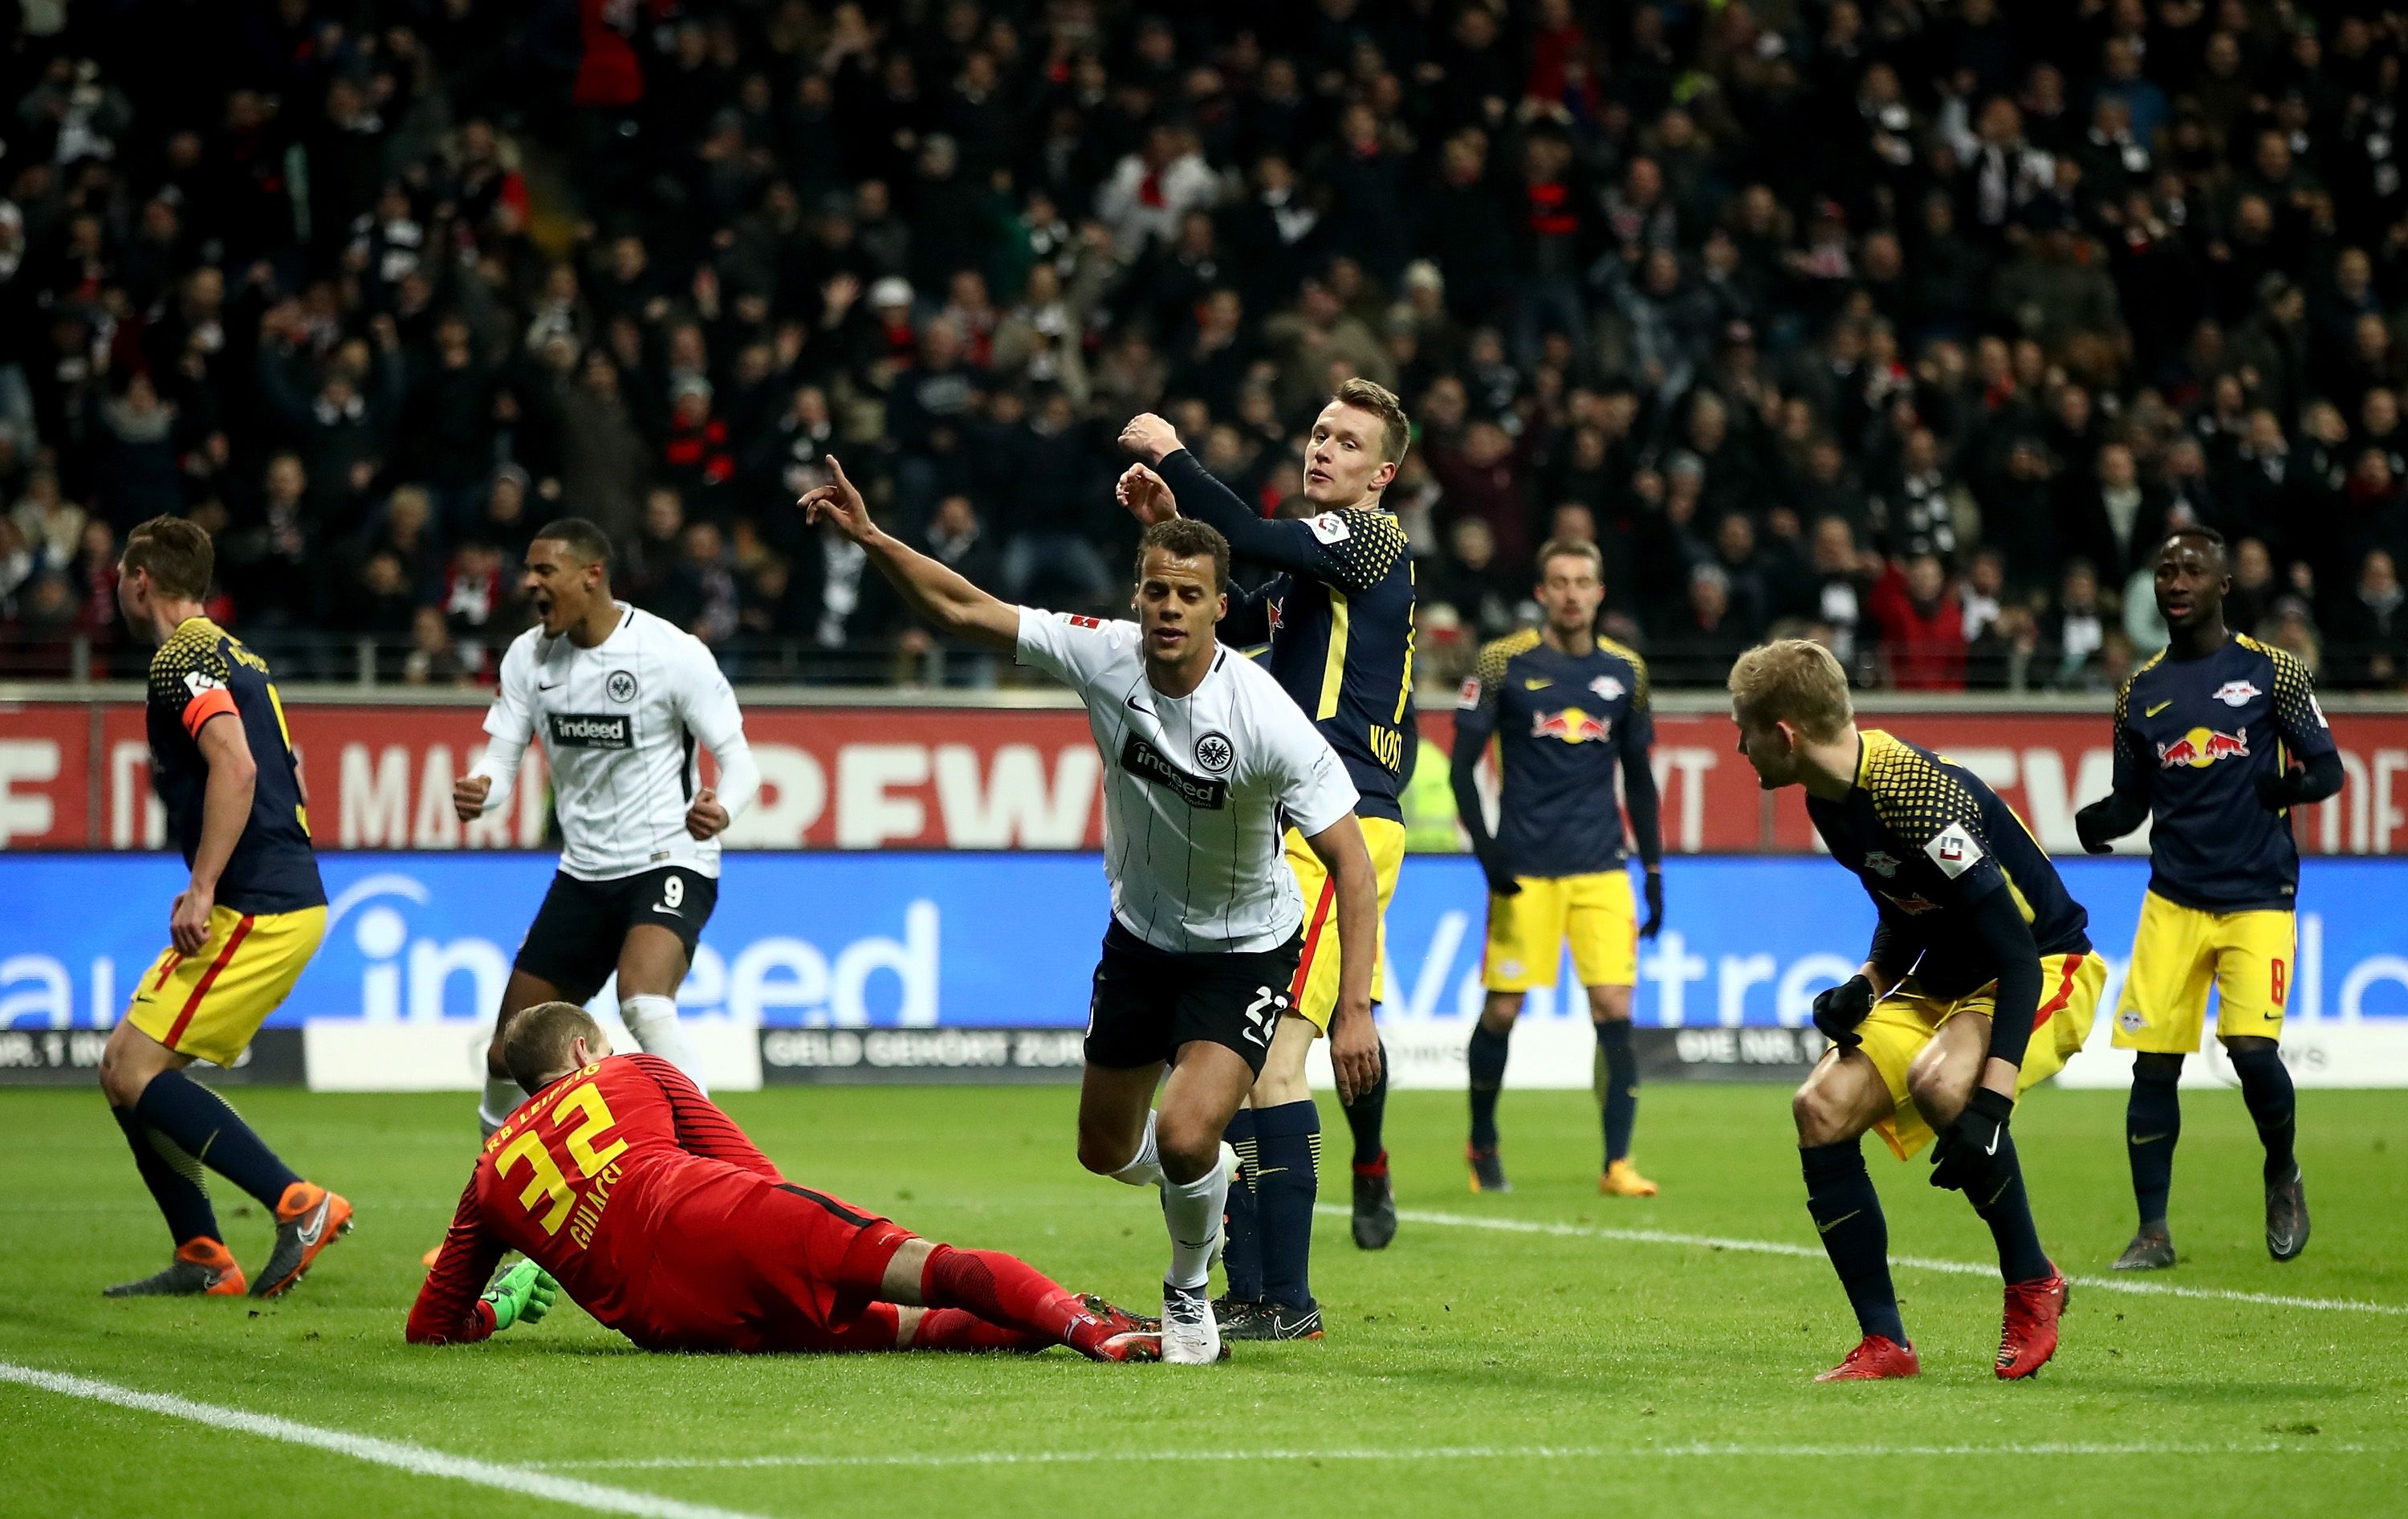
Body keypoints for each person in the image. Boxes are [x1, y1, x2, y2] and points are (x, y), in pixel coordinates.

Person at [801, 458, 1380, 1366]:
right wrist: (873, 538)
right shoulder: (1103, 652)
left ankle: (1189, 1291)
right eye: (1155, 590)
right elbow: (963, 609)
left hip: (1244, 949)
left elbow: (1351, 857)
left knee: (1185, 1131)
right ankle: (1210, 1184)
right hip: (1142, 939)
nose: (1168, 608)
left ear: (1219, 605)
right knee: (1106, 1148)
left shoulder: (1263, 712)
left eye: (1189, 593)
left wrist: (1353, 1008)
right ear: (1137, 596)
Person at [1114, 377, 1412, 1345]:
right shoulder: (1303, 573)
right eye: (1318, 432)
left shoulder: (1372, 540)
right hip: (1285, 824)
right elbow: (1229, 621)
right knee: (1239, 1058)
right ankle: (1254, 1288)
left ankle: (1284, 1295)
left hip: (1343, 824)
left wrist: (1175, 455)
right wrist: (1171, 522)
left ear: (1383, 475)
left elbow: (1251, 526)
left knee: (1279, 1055)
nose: (1323, 449)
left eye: (1348, 442)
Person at [1729, 639, 2099, 1382]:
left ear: (1786, 734)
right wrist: (1867, 982)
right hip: (1942, 980)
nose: (1739, 747)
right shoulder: (1829, 797)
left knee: (1942, 1084)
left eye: (1745, 730)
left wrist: (1989, 1105)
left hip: (2043, 965)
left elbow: (2018, 956)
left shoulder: (1920, 797)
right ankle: (1885, 1343)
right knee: (1820, 1107)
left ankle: (2034, 1283)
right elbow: (1907, 906)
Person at [408, 1001, 1161, 1362]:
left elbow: (428, 1327)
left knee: (906, 1333)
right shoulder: (632, 1069)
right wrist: (812, 1241)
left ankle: (1058, 1317)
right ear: (582, 1051)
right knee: (932, 1272)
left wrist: (498, 1311)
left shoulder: (488, 1175)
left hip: (669, 1326)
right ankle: (1091, 1330)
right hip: (720, 1221)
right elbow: (755, 1175)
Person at [436, 518, 765, 1265]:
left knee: (642, 999)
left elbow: (738, 758)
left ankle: (720, 1177)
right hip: (584, 871)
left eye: (544, 570)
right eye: (527, 569)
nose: (530, 583)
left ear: (592, 574)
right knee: (502, 1056)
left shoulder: (671, 653)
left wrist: (723, 807)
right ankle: (494, 1219)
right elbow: (501, 757)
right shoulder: (529, 657)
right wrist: (482, 795)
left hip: (670, 855)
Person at [2073, 527, 2343, 1269]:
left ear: (2224, 585)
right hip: (2174, 899)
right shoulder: (2140, 690)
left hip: (2259, 894)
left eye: (2192, 569)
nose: (2176, 581)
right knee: (2153, 1063)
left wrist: (2285, 789)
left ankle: (2281, 1171)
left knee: (2252, 1050)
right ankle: (2152, 1231)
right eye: (2165, 571)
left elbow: (2329, 771)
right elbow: (2133, 803)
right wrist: (2099, 822)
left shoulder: (2274, 673)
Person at [96, 515, 349, 1300]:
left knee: (133, 1066)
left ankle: (295, 1202)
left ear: (141, 578)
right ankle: (203, 1251)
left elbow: (236, 765)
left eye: (119, 573)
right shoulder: (235, 653)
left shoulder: (180, 659)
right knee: (124, 1068)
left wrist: (204, 884)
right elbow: (291, 772)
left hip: (256, 904)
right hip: (276, 894)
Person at [1450, 539, 1665, 1195]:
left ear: (1600, 593)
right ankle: (1482, 1143)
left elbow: (1641, 779)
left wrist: (1653, 873)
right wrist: (1488, 857)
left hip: (1602, 865)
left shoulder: (1628, 671)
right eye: (1560, 582)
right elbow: (1461, 768)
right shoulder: (1501, 662)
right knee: (1504, 1011)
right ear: (1542, 593)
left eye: (1584, 582)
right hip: (1525, 867)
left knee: (1613, 1007)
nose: (1572, 593)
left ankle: (1617, 1163)